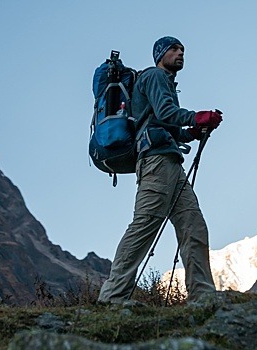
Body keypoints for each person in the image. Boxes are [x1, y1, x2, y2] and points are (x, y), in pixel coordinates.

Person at [98, 36, 223, 304]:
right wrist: (197, 117)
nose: (180, 53)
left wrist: (192, 133)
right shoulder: (155, 76)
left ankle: (203, 295)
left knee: (194, 225)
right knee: (145, 224)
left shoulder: (162, 82)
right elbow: (167, 112)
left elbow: (168, 127)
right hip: (156, 163)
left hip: (169, 163)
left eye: (183, 50)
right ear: (160, 53)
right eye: (174, 49)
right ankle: (112, 296)